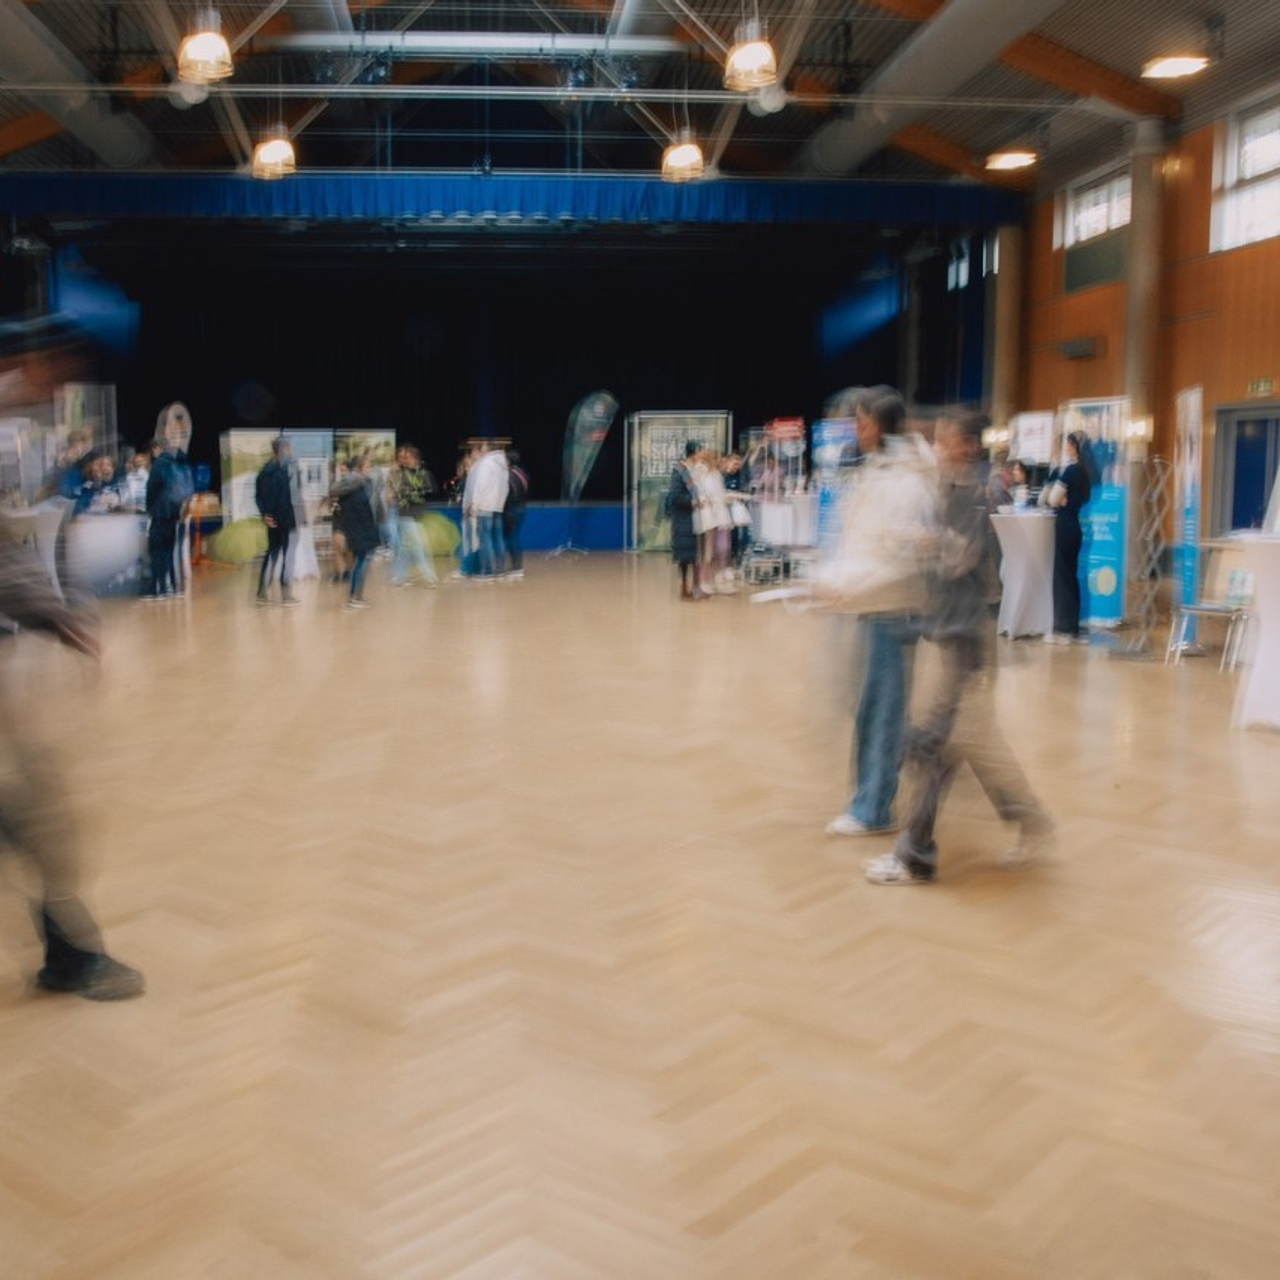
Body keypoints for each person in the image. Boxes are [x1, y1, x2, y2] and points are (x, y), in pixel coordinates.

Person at [862, 413, 1055, 885]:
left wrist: (924, 543)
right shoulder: (943, 491)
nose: (939, 443)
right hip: (946, 636)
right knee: (964, 744)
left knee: (935, 749)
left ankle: (914, 857)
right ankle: (1027, 817)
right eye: (938, 437)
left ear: (967, 445)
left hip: (965, 642)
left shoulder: (976, 495)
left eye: (947, 437)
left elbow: (963, 559)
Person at [816, 387, 936, 837]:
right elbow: (862, 541)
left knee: (882, 711)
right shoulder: (880, 473)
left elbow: (901, 556)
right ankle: (875, 795)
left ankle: (873, 808)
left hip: (893, 610)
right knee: (873, 708)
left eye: (861, 421)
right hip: (873, 607)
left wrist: (842, 585)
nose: (855, 430)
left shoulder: (905, 481)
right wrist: (833, 581)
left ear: (880, 425)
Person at [1042, 430, 1094, 644]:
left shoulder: (1071, 471)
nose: (1065, 448)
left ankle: (1063, 629)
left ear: (1073, 446)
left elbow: (1051, 499)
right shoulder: (1084, 472)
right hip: (1075, 527)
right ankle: (1070, 627)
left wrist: (1059, 497)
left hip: (1064, 526)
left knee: (1062, 577)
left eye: (1067, 444)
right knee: (1069, 577)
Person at [144, 432, 192, 599]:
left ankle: (159, 588)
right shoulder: (182, 462)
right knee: (172, 550)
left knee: (157, 550)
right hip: (177, 513)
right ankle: (174, 586)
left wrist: (149, 508)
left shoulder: (160, 464)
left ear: (157, 448)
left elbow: (151, 489)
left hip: (160, 513)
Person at [330, 453, 380, 609]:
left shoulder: (362, 484)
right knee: (360, 563)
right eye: (367, 466)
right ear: (359, 468)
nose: (370, 469)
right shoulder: (354, 484)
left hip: (362, 527)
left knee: (361, 562)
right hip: (358, 528)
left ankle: (357, 596)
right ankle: (353, 597)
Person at [255, 437, 299, 606]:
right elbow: (286, 498)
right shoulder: (283, 472)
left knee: (272, 554)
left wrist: (265, 514)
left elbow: (258, 496)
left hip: (272, 519)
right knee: (287, 556)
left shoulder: (264, 471)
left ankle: (261, 592)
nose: (292, 451)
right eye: (289, 448)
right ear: (283, 449)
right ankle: (286, 595)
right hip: (284, 518)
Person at [386, 444, 438, 587]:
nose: (403, 459)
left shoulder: (422, 473)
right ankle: (430, 577)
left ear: (414, 458)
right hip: (405, 514)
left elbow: (430, 490)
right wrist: (411, 493)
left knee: (406, 548)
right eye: (402, 457)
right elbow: (399, 493)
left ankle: (399, 577)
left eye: (407, 456)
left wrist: (415, 492)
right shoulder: (400, 473)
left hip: (417, 514)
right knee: (420, 546)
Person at [467, 442, 509, 580]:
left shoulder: (485, 463)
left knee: (485, 539)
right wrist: (500, 503)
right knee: (498, 537)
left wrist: (474, 505)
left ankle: (488, 572)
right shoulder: (503, 464)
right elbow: (506, 487)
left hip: (485, 506)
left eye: (483, 447)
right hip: (498, 506)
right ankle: (501, 570)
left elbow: (480, 485)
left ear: (488, 449)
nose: (480, 450)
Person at [667, 441, 702, 601]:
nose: (702, 455)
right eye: (700, 452)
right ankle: (684, 587)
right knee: (685, 558)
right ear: (693, 453)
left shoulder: (693, 470)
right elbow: (674, 498)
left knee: (694, 556)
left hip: (693, 519)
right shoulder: (679, 471)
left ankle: (695, 587)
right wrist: (693, 501)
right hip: (683, 520)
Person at [503, 449, 529, 578]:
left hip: (511, 510)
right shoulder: (521, 473)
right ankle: (517, 565)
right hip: (521, 508)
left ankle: (516, 567)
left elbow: (509, 494)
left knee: (511, 538)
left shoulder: (509, 475)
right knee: (514, 537)